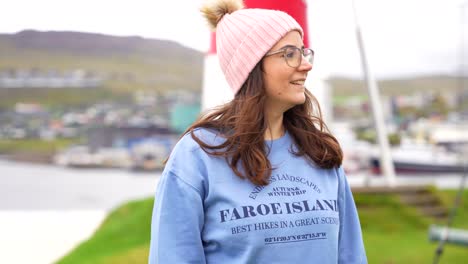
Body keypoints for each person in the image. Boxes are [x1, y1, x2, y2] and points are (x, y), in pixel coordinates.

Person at [148, 0, 367, 263]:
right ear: (250, 66)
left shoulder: (320, 153)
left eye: (303, 52)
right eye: (289, 54)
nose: (306, 65)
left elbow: (351, 256)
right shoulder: (196, 156)